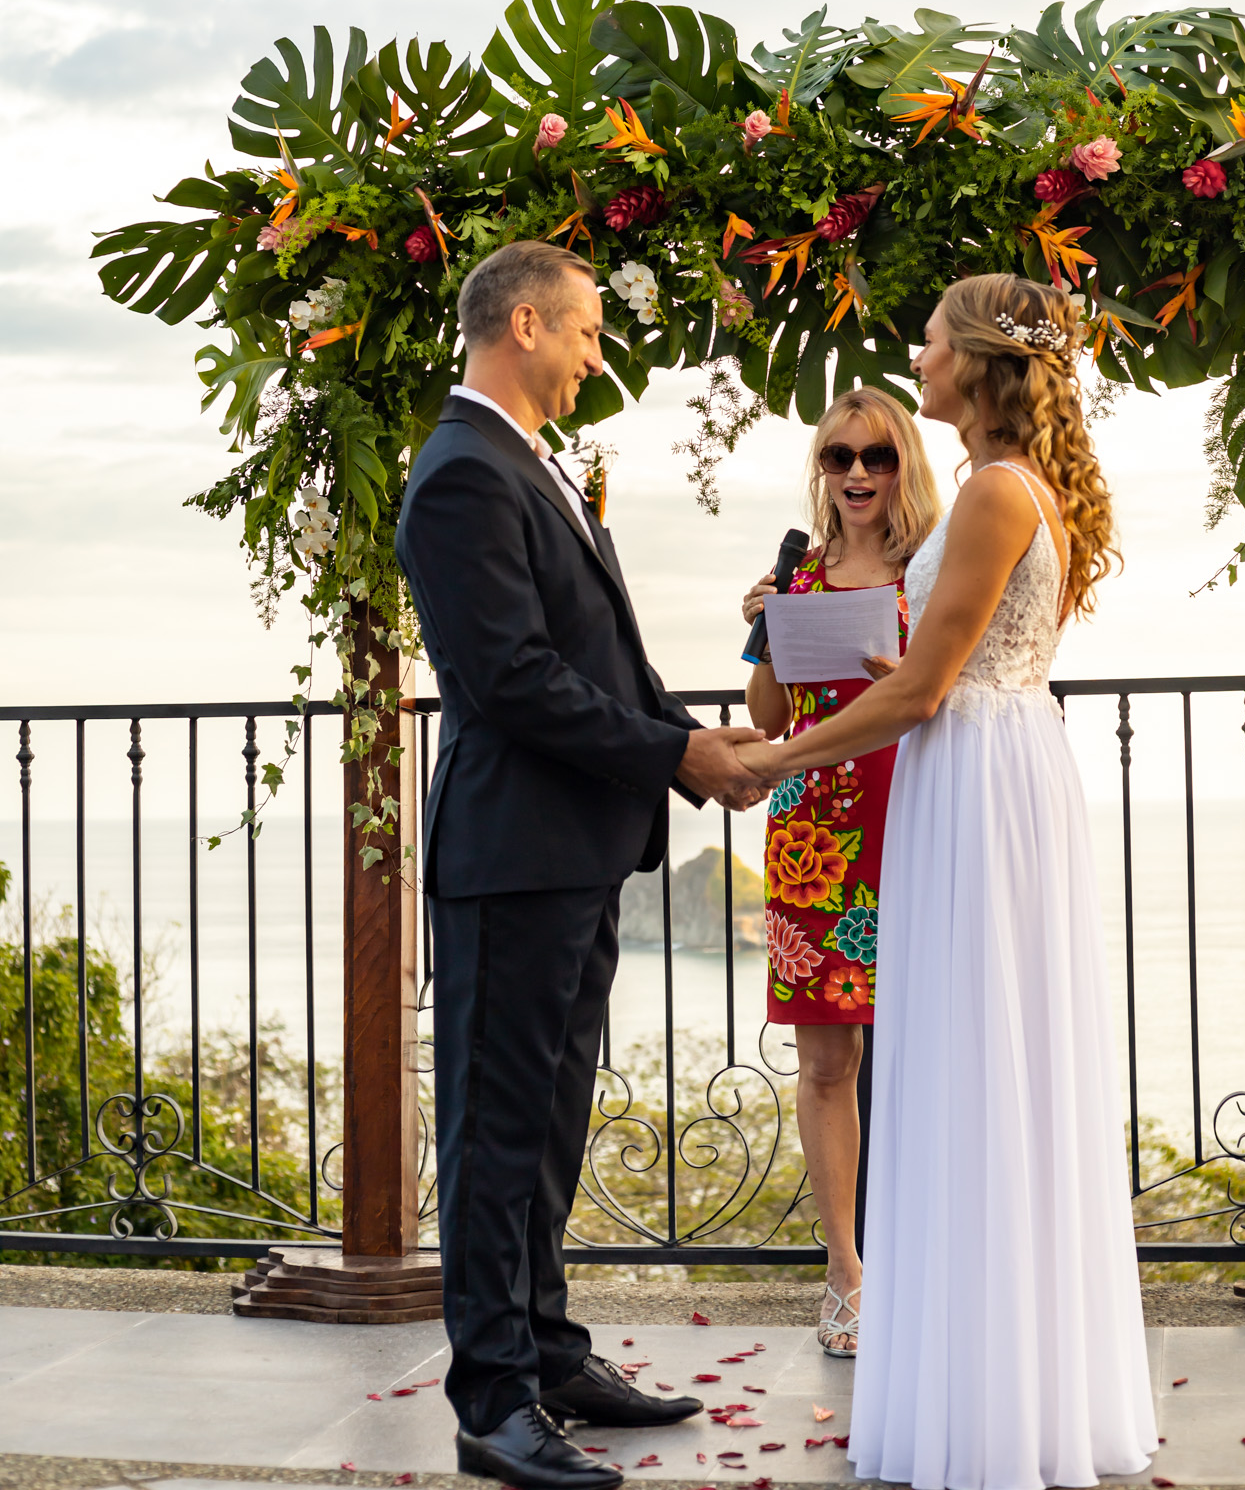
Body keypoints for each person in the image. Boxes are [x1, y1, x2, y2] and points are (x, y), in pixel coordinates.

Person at [734, 274, 1156, 1490]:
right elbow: (946, 664)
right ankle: (1009, 1375)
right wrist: (885, 669)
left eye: (927, 339)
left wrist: (769, 754)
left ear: (972, 363)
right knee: (990, 1065)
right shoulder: (1020, 488)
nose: (912, 355)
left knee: (973, 1061)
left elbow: (925, 692)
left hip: (969, 776)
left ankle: (980, 1394)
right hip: (986, 763)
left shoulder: (985, 489)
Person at [395, 241, 766, 1490]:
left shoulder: (526, 462)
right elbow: (507, 679)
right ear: (522, 322)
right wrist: (673, 753)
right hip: (510, 855)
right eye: (587, 330)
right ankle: (493, 1400)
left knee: (547, 1123)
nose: (597, 354)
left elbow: (600, 652)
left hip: (571, 850)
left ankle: (550, 1352)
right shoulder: (460, 472)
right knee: (495, 1134)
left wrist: (688, 743)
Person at [740, 385, 939, 1357]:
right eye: (838, 457)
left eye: (877, 455)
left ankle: (937, 1263)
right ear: (820, 471)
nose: (857, 472)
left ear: (905, 463)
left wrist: (891, 659)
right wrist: (771, 629)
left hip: (919, 816)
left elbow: (958, 687)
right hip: (814, 830)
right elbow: (772, 719)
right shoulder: (799, 575)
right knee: (827, 1063)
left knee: (937, 1050)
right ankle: (845, 1272)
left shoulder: (936, 567)